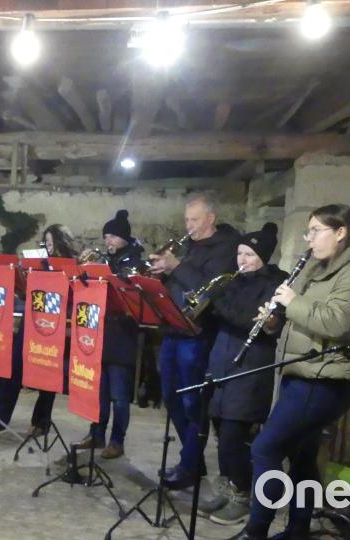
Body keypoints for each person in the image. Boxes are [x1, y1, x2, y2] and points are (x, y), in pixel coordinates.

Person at [231, 205, 350, 540]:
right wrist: (273, 321)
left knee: (264, 449)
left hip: (325, 380)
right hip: (302, 373)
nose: (309, 238)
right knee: (303, 458)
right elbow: (300, 321)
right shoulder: (320, 268)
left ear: (341, 231)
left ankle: (255, 531)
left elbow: (338, 323)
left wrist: (291, 300)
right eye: (308, 231)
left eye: (316, 230)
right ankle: (297, 530)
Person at [196, 223, 287, 525]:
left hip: (249, 366)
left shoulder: (276, 282)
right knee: (220, 430)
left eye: (249, 254)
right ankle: (228, 485)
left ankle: (243, 493)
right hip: (221, 362)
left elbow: (254, 321)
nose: (242, 260)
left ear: (262, 256)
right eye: (239, 253)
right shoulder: (233, 280)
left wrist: (219, 304)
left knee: (235, 436)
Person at [148, 193, 239, 487]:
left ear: (211, 218)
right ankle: (192, 460)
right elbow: (180, 284)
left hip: (198, 334)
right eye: (187, 220)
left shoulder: (225, 248)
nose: (189, 226)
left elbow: (208, 289)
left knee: (192, 402)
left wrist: (176, 266)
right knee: (170, 396)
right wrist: (161, 274)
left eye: (195, 220)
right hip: (173, 329)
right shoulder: (189, 246)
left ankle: (189, 467)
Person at [0, 224, 78, 439]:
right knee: (12, 369)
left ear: (62, 243)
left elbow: (73, 297)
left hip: (54, 326)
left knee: (47, 374)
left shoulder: (72, 266)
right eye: (46, 243)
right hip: (31, 322)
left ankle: (41, 422)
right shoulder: (39, 263)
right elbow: (26, 295)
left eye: (52, 243)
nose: (49, 247)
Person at [77, 210, 143, 459]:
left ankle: (117, 441)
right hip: (99, 334)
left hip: (122, 336)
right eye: (106, 237)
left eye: (113, 236)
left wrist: (107, 272)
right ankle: (96, 434)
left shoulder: (135, 262)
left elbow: (129, 291)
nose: (108, 242)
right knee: (98, 392)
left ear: (125, 238)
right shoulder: (106, 260)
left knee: (119, 397)